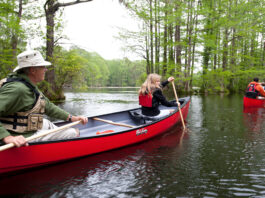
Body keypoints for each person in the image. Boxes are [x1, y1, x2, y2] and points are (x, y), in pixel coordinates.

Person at [0, 50, 88, 148]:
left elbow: (48, 106)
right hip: (20, 136)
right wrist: (7, 137)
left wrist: (72, 117)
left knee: (44, 122)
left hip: (23, 129)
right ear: (33, 70)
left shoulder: (28, 84)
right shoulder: (18, 89)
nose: (45, 70)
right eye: (43, 67)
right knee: (73, 132)